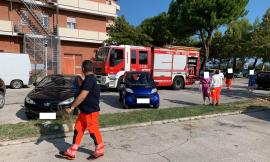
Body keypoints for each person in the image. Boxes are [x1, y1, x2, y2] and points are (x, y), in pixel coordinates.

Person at [60, 60, 104, 160]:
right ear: (92, 68)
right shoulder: (91, 79)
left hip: (91, 112)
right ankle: (72, 151)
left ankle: (100, 150)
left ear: (83, 69)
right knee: (78, 130)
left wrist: (72, 107)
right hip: (84, 112)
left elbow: (83, 96)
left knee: (93, 131)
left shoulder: (90, 80)